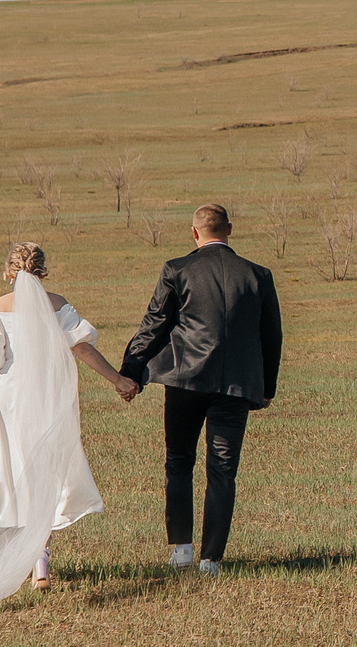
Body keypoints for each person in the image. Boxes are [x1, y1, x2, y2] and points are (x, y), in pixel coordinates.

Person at [0, 242, 134, 608]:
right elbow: (81, 348)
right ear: (42, 271)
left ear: (9, 272)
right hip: (48, 395)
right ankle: (40, 561)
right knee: (45, 474)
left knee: (16, 474)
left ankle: (29, 555)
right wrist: (118, 379)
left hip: (9, 399)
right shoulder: (57, 305)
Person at [119, 203, 282, 574]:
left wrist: (130, 371)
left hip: (184, 382)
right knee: (223, 471)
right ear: (230, 229)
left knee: (179, 462)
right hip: (236, 386)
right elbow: (272, 335)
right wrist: (266, 386)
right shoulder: (258, 275)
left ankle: (181, 550)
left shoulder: (177, 269)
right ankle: (211, 560)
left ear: (194, 233)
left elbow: (154, 325)